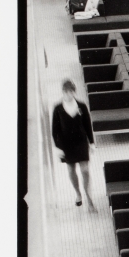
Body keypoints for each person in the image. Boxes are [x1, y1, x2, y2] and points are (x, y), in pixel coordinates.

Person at [51, 79, 96, 210]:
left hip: (81, 142)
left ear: (74, 92)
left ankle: (89, 197)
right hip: (66, 145)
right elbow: (55, 130)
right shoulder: (58, 108)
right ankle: (78, 194)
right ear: (63, 92)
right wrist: (57, 147)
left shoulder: (81, 106)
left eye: (71, 92)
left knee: (85, 170)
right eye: (66, 92)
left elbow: (88, 125)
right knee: (71, 170)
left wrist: (91, 143)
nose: (69, 95)